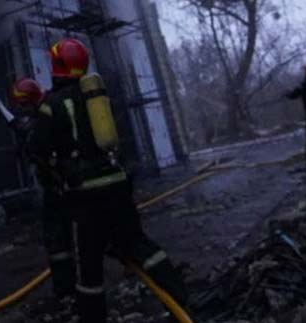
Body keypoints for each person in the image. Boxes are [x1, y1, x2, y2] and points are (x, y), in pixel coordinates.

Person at [25, 38, 188, 323]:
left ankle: (93, 318)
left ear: (57, 67)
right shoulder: (96, 98)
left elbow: (37, 149)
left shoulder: (51, 104)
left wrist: (27, 133)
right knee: (139, 244)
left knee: (89, 265)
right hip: (117, 185)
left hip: (87, 197)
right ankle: (180, 295)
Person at [9, 77, 75, 303]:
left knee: (65, 238)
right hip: (58, 188)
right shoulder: (43, 113)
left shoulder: (47, 114)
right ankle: (67, 289)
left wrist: (26, 135)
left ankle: (69, 289)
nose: (21, 110)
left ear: (33, 101)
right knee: (60, 241)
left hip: (63, 187)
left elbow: (38, 148)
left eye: (24, 105)